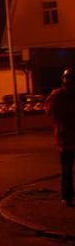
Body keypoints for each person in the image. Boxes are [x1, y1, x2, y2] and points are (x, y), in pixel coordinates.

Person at [45, 67, 75, 207]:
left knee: (67, 170)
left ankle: (67, 197)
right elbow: (48, 110)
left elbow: (48, 111)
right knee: (67, 170)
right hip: (65, 139)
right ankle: (67, 196)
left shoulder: (58, 95)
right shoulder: (57, 95)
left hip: (66, 138)